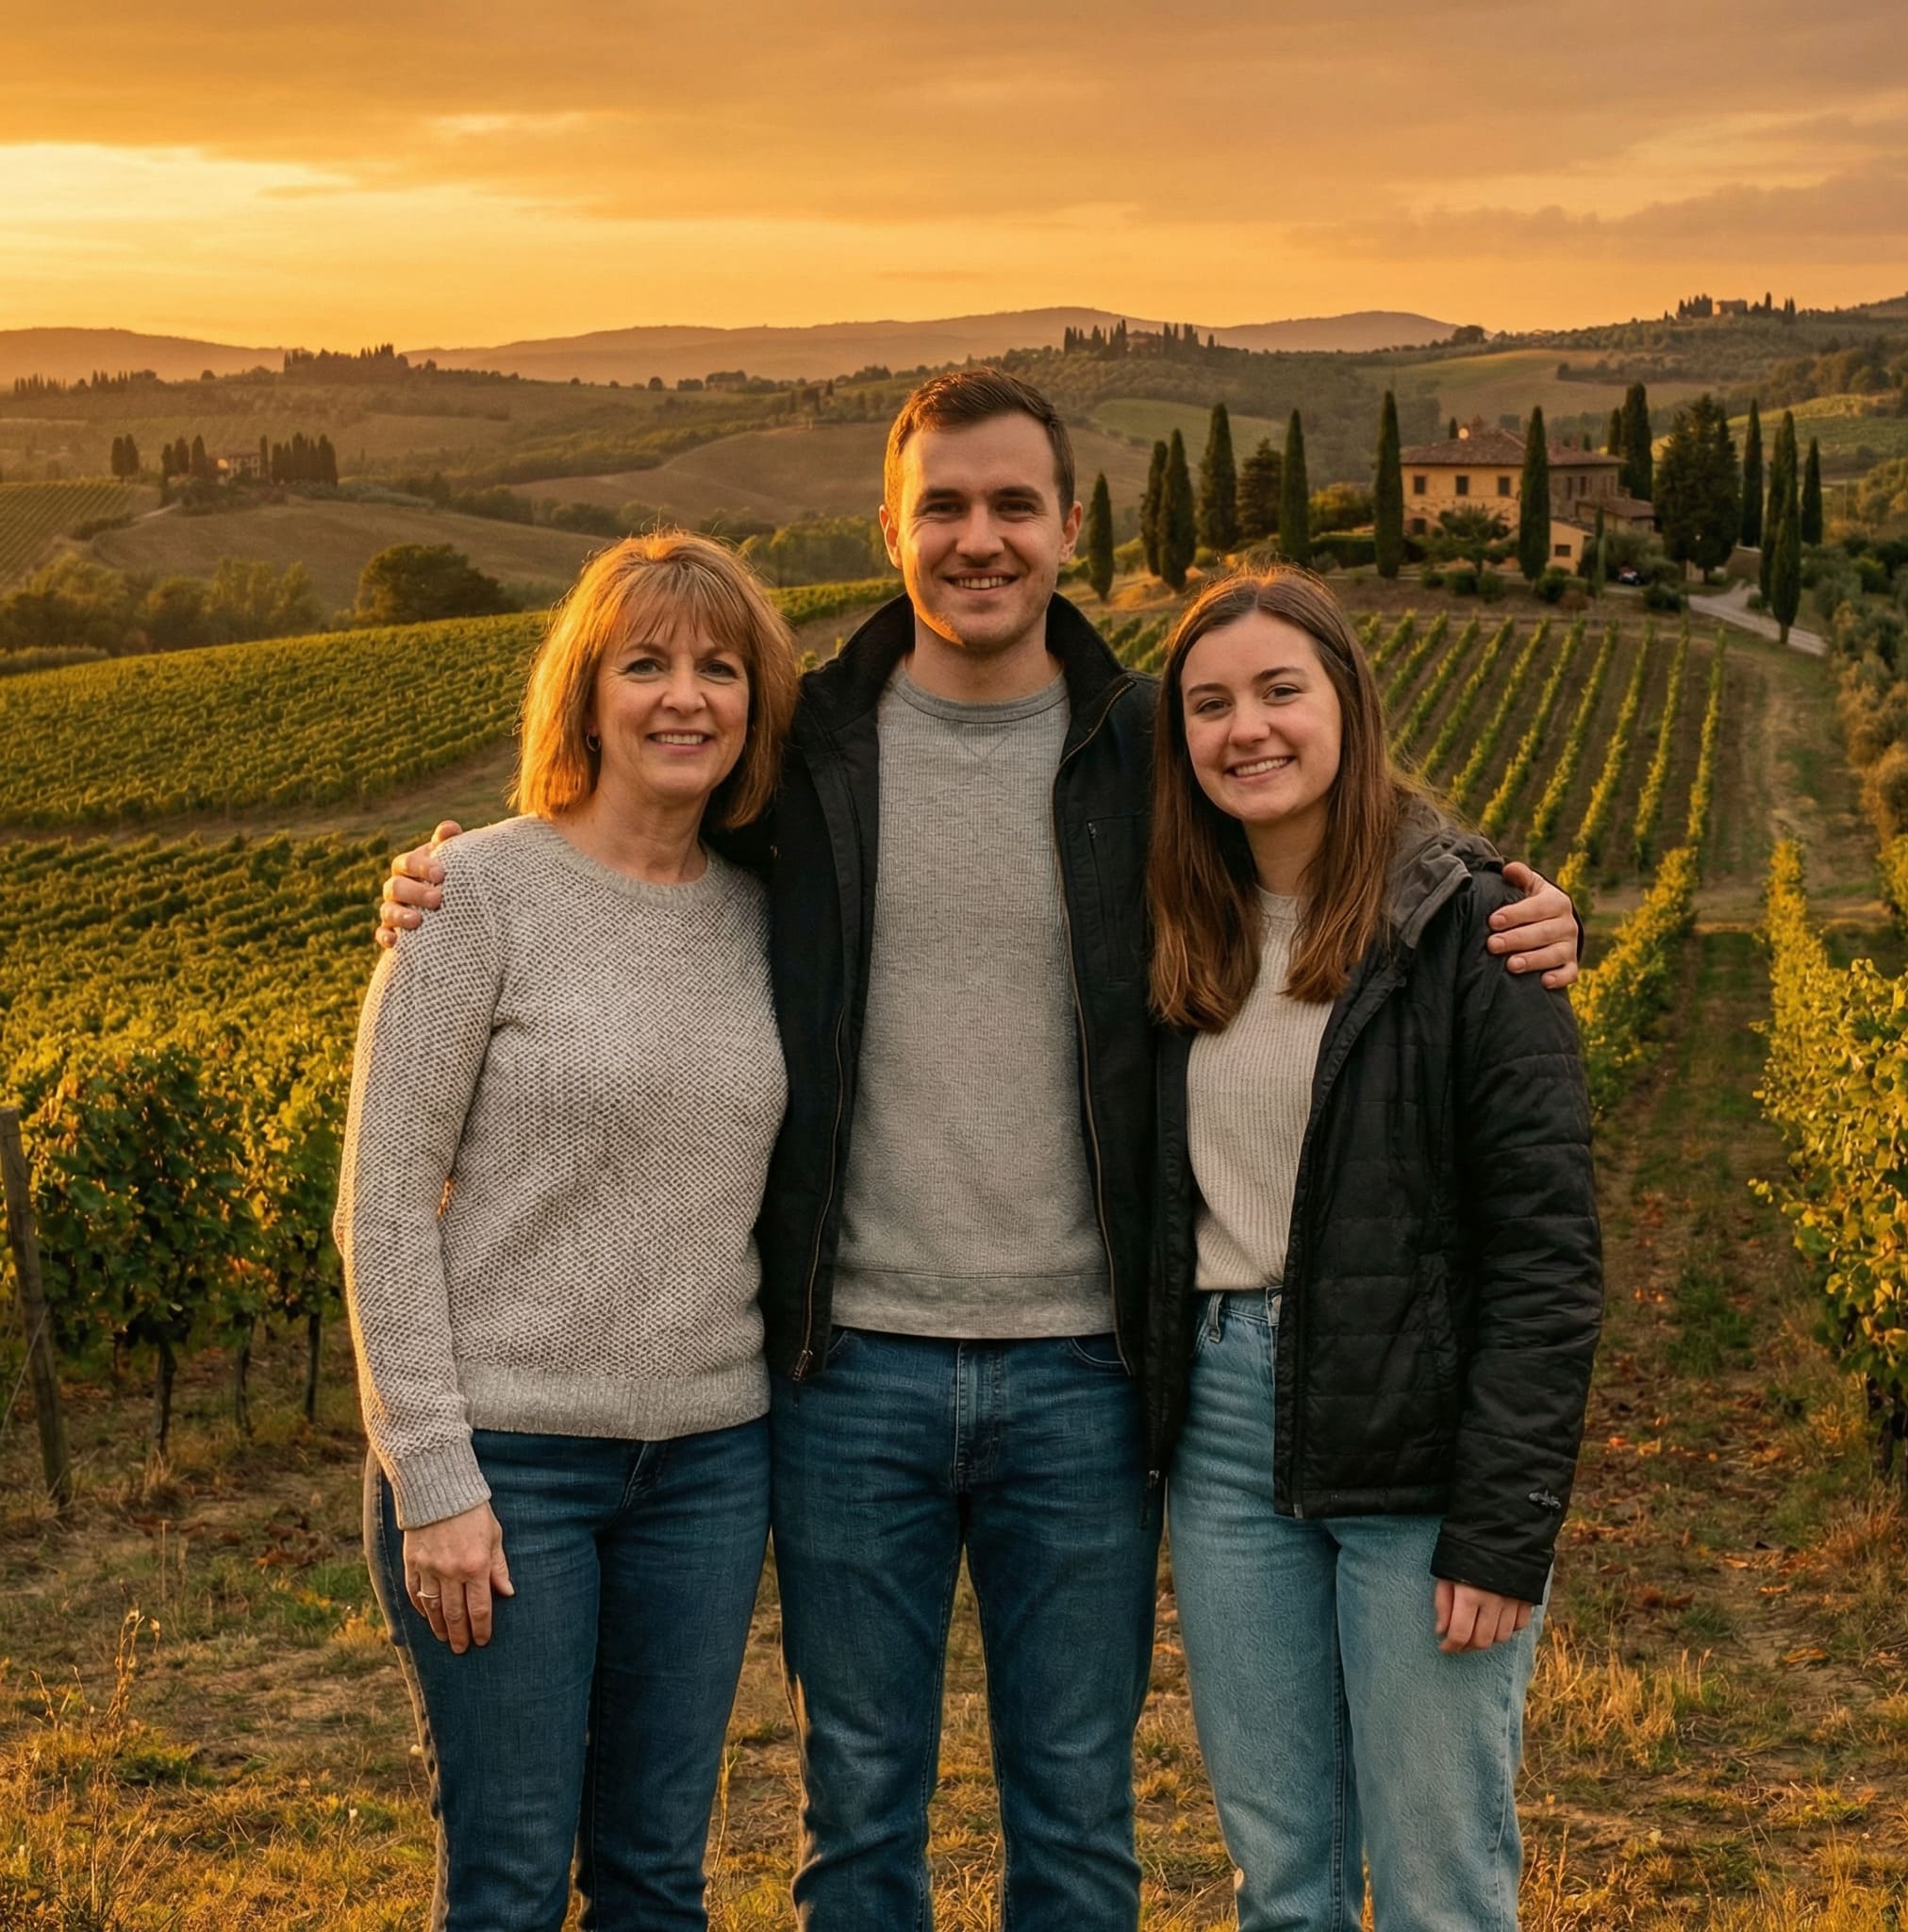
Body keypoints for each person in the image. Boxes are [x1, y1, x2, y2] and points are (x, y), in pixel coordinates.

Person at [378, 370, 1584, 1931]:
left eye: (1015, 504)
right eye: (943, 504)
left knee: (1078, 1814)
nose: (979, 538)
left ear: (1071, 527)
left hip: (1090, 1371)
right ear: (890, 525)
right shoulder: (800, 748)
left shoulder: (1150, 743)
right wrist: (444, 875)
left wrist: (1516, 896)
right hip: (844, 1373)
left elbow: (1333, 813)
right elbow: (627, 823)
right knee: (861, 1804)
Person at [337, 530, 799, 1931]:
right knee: (511, 1882)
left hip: (711, 1468)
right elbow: (380, 1203)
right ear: (585, 695)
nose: (685, 697)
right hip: (507, 1468)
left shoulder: (774, 919)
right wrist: (434, 1476)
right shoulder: (474, 893)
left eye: (719, 668)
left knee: (661, 1880)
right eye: (644, 663)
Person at [1140, 565, 1603, 1932]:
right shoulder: (1171, 926)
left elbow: (1547, 1256)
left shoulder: (1471, 925)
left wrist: (1506, 1525)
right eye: (1210, 705)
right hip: (1223, 1435)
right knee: (1281, 1877)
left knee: (1438, 1877)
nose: (1248, 729)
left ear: (1348, 701)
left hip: (1419, 1441)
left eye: (1282, 690)